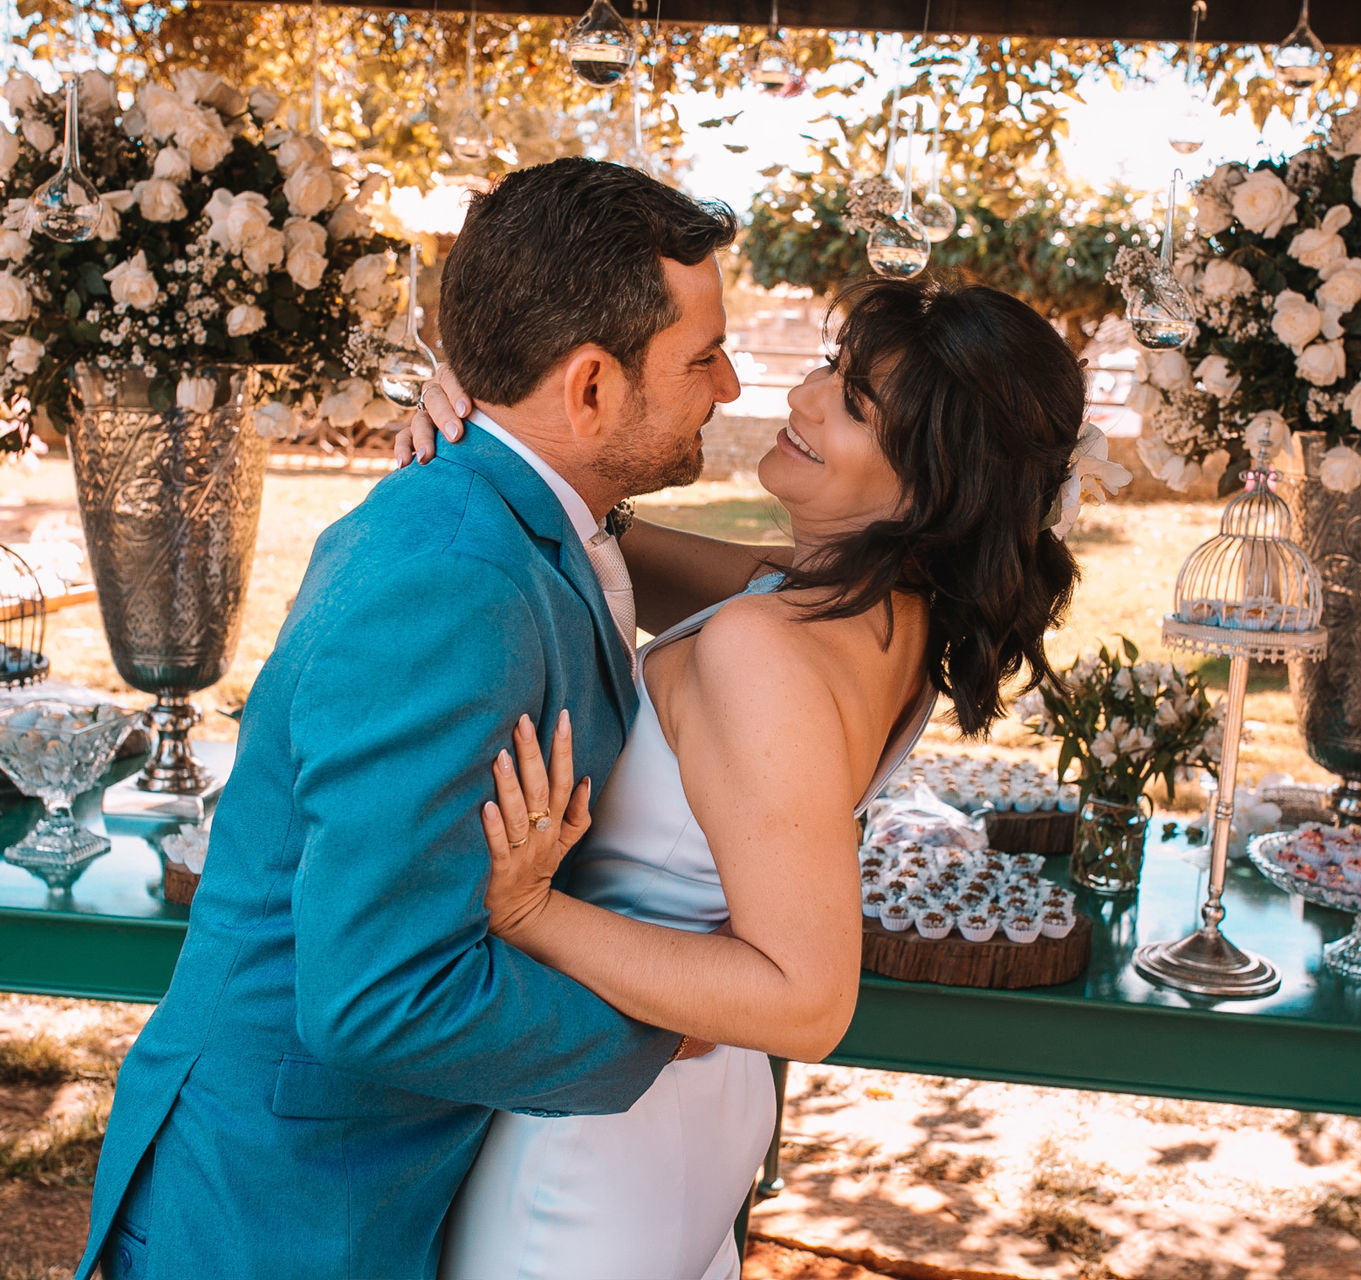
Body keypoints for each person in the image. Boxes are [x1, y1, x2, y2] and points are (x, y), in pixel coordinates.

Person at [76, 158, 743, 1280]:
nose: (726, 384)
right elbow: (377, 1000)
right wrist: (678, 1023)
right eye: (703, 356)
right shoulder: (452, 581)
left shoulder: (518, 516)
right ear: (588, 387)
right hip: (281, 1213)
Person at [399, 274, 1119, 1279]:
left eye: (857, 403)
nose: (803, 398)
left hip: (599, 1145)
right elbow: (601, 536)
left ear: (936, 482)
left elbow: (805, 1000)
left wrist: (530, 914)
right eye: (832, 366)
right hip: (698, 1099)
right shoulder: (870, 608)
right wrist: (502, 419)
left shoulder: (768, 647)